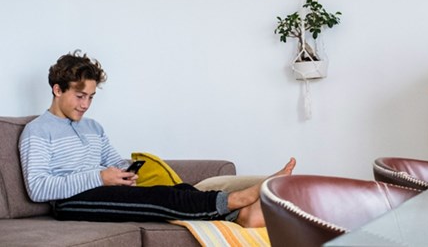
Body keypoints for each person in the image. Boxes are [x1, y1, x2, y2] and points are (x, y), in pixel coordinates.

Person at [19, 50, 296, 227]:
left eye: (91, 97)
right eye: (80, 96)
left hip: (103, 189)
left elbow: (113, 161)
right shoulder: (38, 131)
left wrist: (126, 173)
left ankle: (243, 215)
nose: (86, 104)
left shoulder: (93, 127)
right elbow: (38, 189)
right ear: (57, 90)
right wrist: (101, 178)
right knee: (158, 197)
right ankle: (240, 198)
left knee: (181, 189)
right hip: (71, 202)